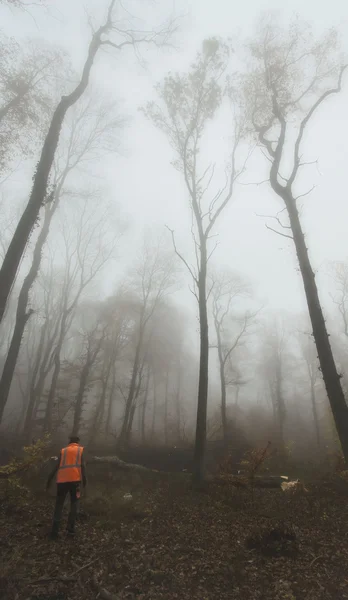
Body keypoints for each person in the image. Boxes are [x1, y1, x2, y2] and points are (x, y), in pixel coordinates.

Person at [46, 435, 87, 539]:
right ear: (78, 441)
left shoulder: (63, 451)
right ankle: (70, 530)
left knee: (59, 505)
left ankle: (54, 533)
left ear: (69, 441)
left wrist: (49, 479)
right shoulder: (80, 450)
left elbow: (56, 466)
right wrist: (85, 480)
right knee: (74, 504)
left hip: (62, 482)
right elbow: (83, 466)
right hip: (75, 482)